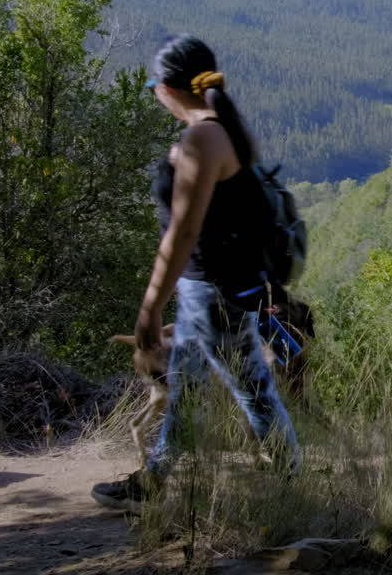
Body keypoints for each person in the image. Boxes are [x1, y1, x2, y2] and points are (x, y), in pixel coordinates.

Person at [92, 35, 299, 512]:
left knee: (252, 390)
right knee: (189, 391)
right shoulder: (219, 131)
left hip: (211, 291)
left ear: (166, 88)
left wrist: (150, 307)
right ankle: (153, 482)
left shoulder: (202, 137)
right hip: (209, 288)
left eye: (152, 85)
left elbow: (183, 234)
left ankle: (292, 482)